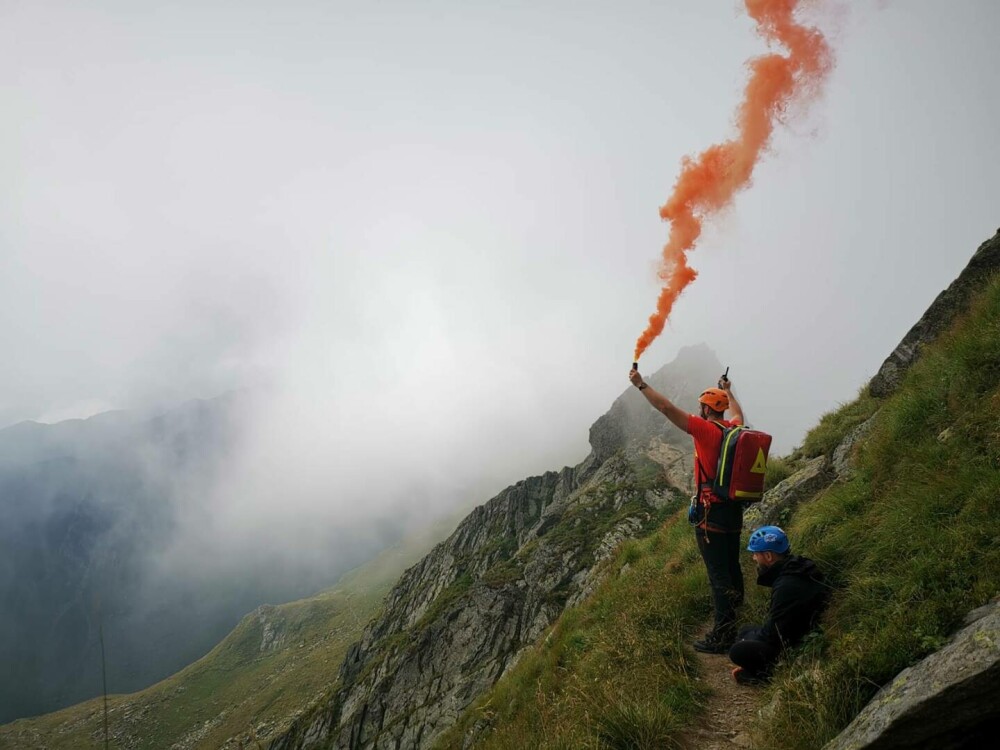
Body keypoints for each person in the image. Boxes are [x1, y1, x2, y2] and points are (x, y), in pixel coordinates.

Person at [628, 366, 746, 653]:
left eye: (702, 407)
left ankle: (722, 635)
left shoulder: (704, 430)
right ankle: (735, 619)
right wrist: (729, 390)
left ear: (706, 409)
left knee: (717, 575)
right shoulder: (734, 429)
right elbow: (738, 414)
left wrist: (641, 385)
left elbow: (666, 407)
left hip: (711, 512)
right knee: (731, 567)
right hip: (734, 510)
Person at [729, 525, 828, 685]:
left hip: (793, 642)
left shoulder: (786, 585)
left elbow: (774, 634)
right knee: (744, 631)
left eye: (755, 553)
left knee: (737, 650)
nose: (754, 558)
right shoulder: (797, 568)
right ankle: (754, 667)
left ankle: (764, 674)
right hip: (798, 630)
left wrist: (747, 641)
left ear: (768, 556)